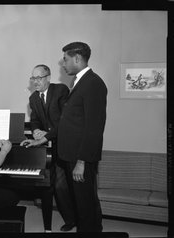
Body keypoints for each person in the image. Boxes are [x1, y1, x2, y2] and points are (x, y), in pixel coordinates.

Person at [58, 41, 107, 232]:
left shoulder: (93, 83)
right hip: (72, 155)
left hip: (80, 157)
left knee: (86, 206)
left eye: (65, 59)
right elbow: (71, 121)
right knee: (81, 204)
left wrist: (82, 161)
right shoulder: (78, 81)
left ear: (77, 58)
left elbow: (94, 127)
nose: (63, 64)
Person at [20, 65, 76, 231]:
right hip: (51, 148)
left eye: (39, 78)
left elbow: (64, 121)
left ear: (48, 78)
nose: (36, 82)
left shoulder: (60, 91)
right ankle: (71, 220)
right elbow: (35, 119)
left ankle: (82, 219)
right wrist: (36, 129)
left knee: (74, 186)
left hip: (68, 145)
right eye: (33, 78)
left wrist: (46, 135)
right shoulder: (33, 99)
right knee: (58, 185)